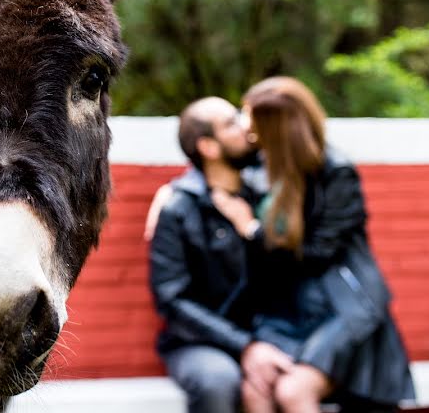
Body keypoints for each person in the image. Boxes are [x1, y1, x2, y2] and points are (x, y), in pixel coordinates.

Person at [210, 77, 415, 412]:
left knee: (292, 390)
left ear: (275, 129)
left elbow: (319, 254)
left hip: (340, 306)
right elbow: (210, 169)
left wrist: (250, 228)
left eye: (250, 117)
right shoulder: (261, 164)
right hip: (287, 309)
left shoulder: (336, 173)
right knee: (257, 389)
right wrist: (170, 193)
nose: (245, 126)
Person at [148, 96, 294, 413]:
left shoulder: (265, 194)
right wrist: (245, 346)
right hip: (199, 343)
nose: (246, 127)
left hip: (271, 331)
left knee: (298, 375)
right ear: (209, 147)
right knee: (219, 382)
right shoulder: (178, 208)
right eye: (231, 123)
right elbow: (172, 299)